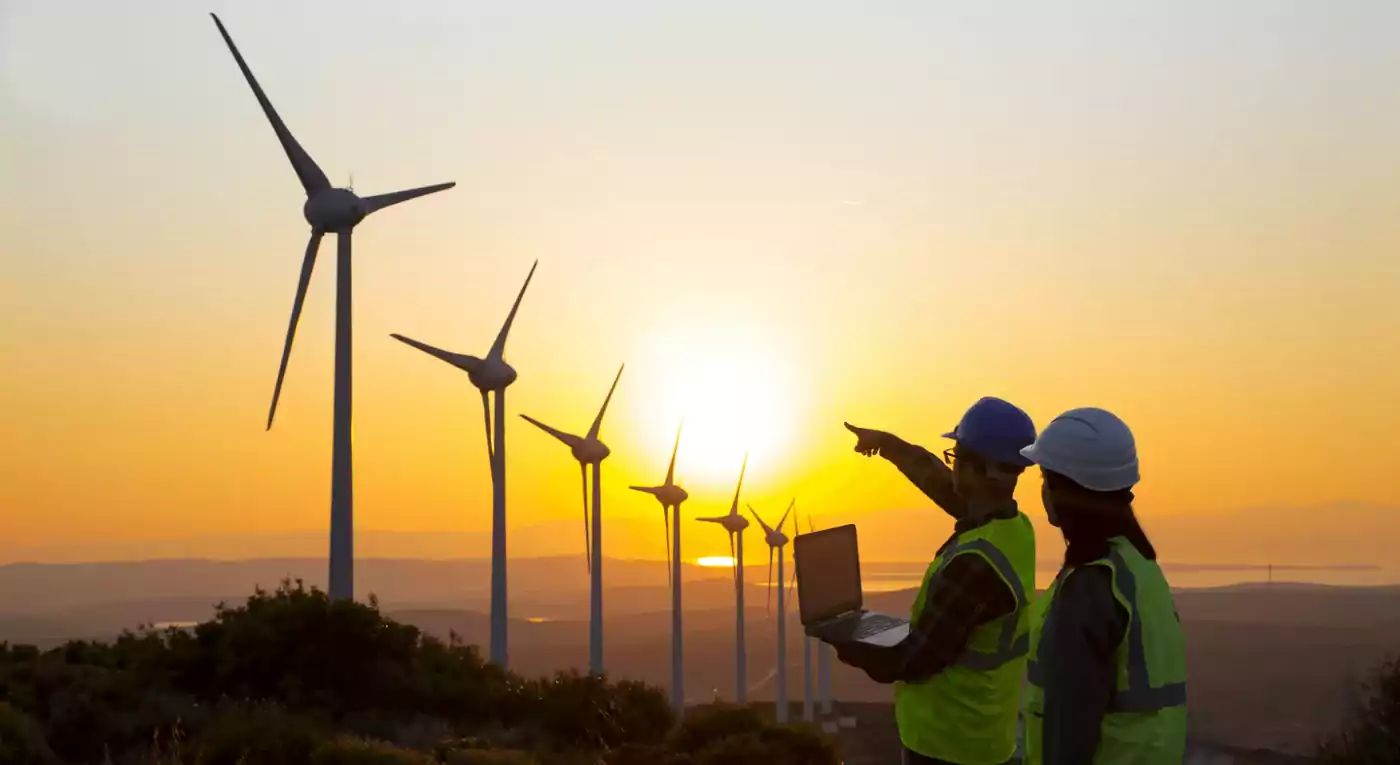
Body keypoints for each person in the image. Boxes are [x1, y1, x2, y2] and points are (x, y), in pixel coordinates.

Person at [839, 396, 1038, 765]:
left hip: (949, 745)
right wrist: (888, 444)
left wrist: (846, 637)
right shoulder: (1014, 529)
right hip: (986, 736)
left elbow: (913, 660)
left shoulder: (976, 564)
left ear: (989, 471)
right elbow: (943, 485)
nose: (953, 467)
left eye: (957, 457)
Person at [1018, 407, 1187, 765]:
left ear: (1066, 490)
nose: (1043, 492)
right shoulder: (1139, 568)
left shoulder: (1089, 589)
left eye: (1046, 480)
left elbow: (1069, 732)